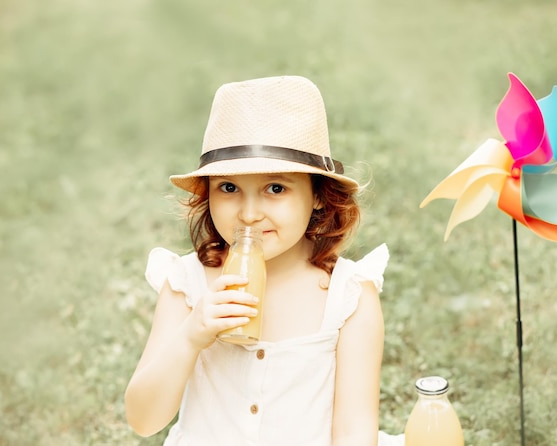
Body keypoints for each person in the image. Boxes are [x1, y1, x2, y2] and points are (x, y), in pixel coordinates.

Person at [125, 75, 404, 446]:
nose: (250, 213)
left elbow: (354, 432)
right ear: (207, 194)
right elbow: (143, 420)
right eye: (229, 188)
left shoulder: (348, 296)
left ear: (319, 195)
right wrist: (191, 335)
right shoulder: (188, 283)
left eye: (276, 188)